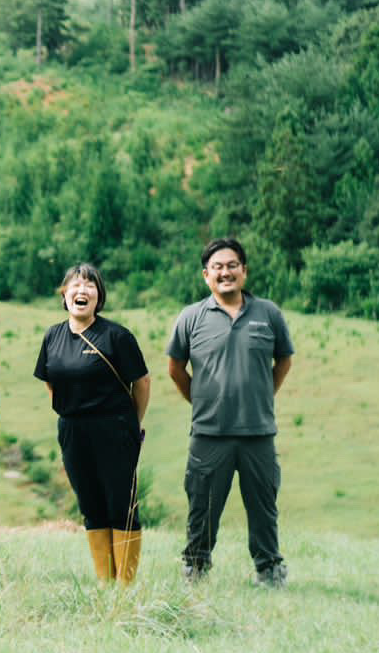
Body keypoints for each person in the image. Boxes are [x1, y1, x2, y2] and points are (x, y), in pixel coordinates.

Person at [167, 237, 294, 586]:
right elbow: (175, 367)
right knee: (202, 507)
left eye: (232, 265)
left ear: (244, 271)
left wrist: (264, 393)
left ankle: (269, 570)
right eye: (218, 267)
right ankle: (196, 567)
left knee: (264, 507)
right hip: (209, 433)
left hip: (258, 432)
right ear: (206, 275)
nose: (226, 273)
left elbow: (284, 359)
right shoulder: (191, 317)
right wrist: (202, 400)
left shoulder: (268, 313)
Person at [34, 263, 150, 584]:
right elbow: (50, 381)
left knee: (120, 505)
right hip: (73, 431)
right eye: (75, 285)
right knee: (90, 505)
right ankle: (105, 582)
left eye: (90, 285)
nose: (81, 290)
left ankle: (125, 588)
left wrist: (130, 425)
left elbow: (141, 383)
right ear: (64, 294)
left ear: (99, 297)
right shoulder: (53, 336)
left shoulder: (116, 336)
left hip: (114, 429)